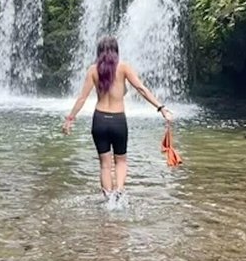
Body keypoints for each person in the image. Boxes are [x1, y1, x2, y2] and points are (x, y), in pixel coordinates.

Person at [62, 35, 173, 199]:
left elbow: (82, 98)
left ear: (99, 52)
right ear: (116, 51)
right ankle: (119, 193)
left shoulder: (93, 70)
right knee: (120, 161)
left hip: (99, 120)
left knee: (105, 165)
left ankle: (108, 199)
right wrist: (161, 108)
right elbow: (141, 89)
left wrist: (70, 118)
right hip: (118, 121)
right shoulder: (123, 68)